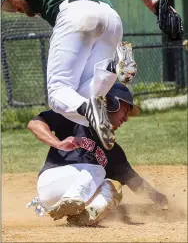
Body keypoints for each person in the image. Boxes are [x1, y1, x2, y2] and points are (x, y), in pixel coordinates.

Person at [1, 0, 159, 150]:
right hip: (112, 19)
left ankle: (95, 100)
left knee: (57, 93)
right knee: (86, 96)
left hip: (75, 13)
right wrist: (153, 4)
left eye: (11, 2)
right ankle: (112, 67)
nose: (15, 9)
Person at [26, 82, 168, 226]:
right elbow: (35, 123)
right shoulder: (76, 117)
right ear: (111, 103)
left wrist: (160, 199)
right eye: (125, 110)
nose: (126, 118)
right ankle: (72, 199)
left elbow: (135, 181)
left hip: (76, 192)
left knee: (113, 187)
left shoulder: (113, 150)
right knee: (98, 170)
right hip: (52, 182)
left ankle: (84, 217)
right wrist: (57, 143)